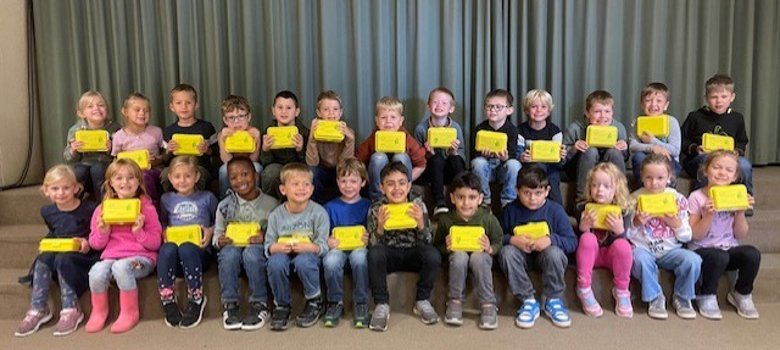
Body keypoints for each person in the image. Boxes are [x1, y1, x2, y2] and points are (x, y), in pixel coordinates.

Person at [15, 165, 99, 337]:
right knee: (43, 259)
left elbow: (96, 234)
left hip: (83, 255)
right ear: (46, 191)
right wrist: (47, 244)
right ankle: (39, 308)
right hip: (60, 249)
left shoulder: (89, 209)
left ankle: (71, 307)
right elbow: (54, 232)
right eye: (55, 188)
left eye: (66, 188)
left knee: (62, 260)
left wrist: (87, 243)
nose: (61, 193)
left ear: (76, 188)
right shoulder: (47, 211)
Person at [85, 159, 162, 334]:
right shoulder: (102, 209)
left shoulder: (146, 208)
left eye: (131, 178)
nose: (125, 182)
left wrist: (139, 232)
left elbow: (156, 242)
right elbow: (95, 244)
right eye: (118, 178)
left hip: (142, 258)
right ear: (110, 183)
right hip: (110, 257)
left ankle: (129, 312)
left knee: (121, 267)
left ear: (139, 182)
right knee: (97, 270)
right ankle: (99, 311)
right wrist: (103, 230)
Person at [499, 167, 577, 328]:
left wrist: (550, 240)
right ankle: (528, 300)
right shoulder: (509, 211)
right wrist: (512, 240)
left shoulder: (555, 210)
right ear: (517, 191)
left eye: (538, 193)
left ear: (547, 191)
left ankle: (554, 299)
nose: (532, 198)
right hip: (521, 258)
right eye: (527, 193)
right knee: (507, 252)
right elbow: (497, 239)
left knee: (554, 253)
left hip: (547, 258)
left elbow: (572, 242)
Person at [367, 162, 441, 331]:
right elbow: (371, 245)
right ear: (381, 187)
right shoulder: (377, 209)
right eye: (390, 184)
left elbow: (427, 241)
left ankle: (422, 300)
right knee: (375, 254)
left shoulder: (418, 206)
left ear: (408, 186)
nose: (397, 188)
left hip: (412, 252)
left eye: (401, 183)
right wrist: (379, 227)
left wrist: (421, 223)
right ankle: (382, 304)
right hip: (389, 254)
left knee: (433, 255)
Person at [688, 150, 760, 320]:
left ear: (735, 176)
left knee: (752, 254)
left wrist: (740, 213)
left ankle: (741, 293)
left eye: (729, 170)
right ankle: (706, 294)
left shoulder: (736, 195)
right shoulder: (696, 197)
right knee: (719, 256)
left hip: (728, 248)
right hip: (703, 249)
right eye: (716, 167)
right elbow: (695, 235)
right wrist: (708, 215)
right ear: (706, 171)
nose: (722, 173)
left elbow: (740, 234)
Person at [627, 153, 700, 320]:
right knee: (639, 259)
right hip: (643, 249)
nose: (654, 183)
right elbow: (626, 235)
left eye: (660, 177)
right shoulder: (634, 198)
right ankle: (655, 297)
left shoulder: (677, 199)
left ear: (669, 177)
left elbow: (687, 237)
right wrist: (637, 222)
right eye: (649, 178)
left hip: (670, 250)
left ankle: (682, 297)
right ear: (642, 177)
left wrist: (676, 224)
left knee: (693, 260)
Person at [212, 156, 279, 331]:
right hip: (232, 252)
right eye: (233, 177)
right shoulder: (224, 206)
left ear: (255, 175)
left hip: (255, 253)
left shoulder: (271, 204)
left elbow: (277, 233)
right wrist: (220, 240)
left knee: (252, 253)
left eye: (245, 174)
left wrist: (265, 236)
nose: (240, 180)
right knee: (228, 253)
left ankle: (260, 303)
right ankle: (230, 305)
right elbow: (217, 235)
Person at [433, 172, 502, 329]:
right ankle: (455, 301)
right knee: (459, 256)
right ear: (452, 198)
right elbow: (437, 246)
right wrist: (446, 247)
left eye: (472, 197)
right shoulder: (446, 220)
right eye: (460, 197)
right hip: (457, 256)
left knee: (478, 258)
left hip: (481, 256)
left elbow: (499, 241)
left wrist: (490, 248)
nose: (466, 203)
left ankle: (488, 303)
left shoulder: (488, 219)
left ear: (480, 199)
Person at [264, 163, 330, 330]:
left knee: (304, 261)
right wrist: (275, 248)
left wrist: (309, 247)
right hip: (283, 254)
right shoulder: (276, 215)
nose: (301, 188)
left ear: (312, 189)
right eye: (295, 184)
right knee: (275, 262)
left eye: (306, 184)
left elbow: (323, 246)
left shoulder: (319, 213)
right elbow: (268, 245)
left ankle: (314, 300)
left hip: (308, 256)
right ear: (283, 189)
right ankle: (282, 305)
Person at [157, 156, 218, 328]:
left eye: (187, 176)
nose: (182, 180)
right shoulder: (166, 199)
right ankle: (168, 299)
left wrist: (210, 231)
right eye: (177, 176)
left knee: (187, 248)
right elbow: (161, 222)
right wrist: (163, 232)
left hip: (198, 253)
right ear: (170, 178)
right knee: (167, 249)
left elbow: (219, 221)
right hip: (174, 257)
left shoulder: (207, 197)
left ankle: (196, 298)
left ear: (197, 177)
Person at [574, 162, 634, 318]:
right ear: (589, 187)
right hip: (590, 255)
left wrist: (619, 231)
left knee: (623, 245)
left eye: (606, 186)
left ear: (616, 189)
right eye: (595, 185)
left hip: (610, 256)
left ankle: (622, 291)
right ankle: (584, 287)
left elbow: (625, 239)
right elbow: (579, 242)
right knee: (587, 238)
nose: (600, 190)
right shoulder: (583, 207)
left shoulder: (624, 210)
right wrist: (584, 228)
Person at [681, 74, 752, 194]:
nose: (719, 101)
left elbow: (741, 141)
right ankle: (701, 199)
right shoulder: (695, 116)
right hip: (699, 159)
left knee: (744, 165)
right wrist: (695, 148)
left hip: (728, 159)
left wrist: (736, 152)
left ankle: (745, 197)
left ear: (732, 97)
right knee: (706, 162)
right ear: (706, 98)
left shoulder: (737, 118)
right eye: (714, 97)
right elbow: (682, 140)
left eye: (724, 96)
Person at [322, 158, 371, 328]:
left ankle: (361, 303)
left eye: (353, 181)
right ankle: (335, 302)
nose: (348, 185)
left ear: (363, 182)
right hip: (338, 249)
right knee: (331, 261)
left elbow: (371, 232)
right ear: (337, 182)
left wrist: (368, 239)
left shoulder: (368, 205)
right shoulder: (329, 207)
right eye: (343, 181)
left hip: (359, 248)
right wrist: (328, 240)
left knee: (360, 258)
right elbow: (324, 234)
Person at [356, 96, 427, 202]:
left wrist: (406, 182)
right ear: (377, 121)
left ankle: (404, 197)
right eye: (383, 118)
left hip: (400, 185)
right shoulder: (374, 138)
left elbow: (421, 165)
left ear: (401, 121)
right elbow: (357, 161)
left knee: (401, 156)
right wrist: (370, 179)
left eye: (393, 117)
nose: (388, 122)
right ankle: (377, 199)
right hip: (381, 184)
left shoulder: (406, 138)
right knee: (378, 157)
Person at [563, 90, 629, 202]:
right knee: (591, 151)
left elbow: (626, 157)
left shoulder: (618, 128)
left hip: (608, 165)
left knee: (614, 152)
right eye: (597, 111)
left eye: (607, 111)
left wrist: (624, 149)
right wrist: (574, 149)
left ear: (612, 113)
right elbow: (563, 159)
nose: (603, 116)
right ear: (587, 113)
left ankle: (621, 198)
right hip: (580, 167)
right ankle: (582, 200)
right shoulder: (575, 128)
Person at [413, 87, 466, 215]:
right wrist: (428, 154)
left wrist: (454, 152)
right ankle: (439, 202)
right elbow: (416, 159)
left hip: (450, 170)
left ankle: (462, 198)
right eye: (435, 102)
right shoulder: (421, 129)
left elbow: (462, 155)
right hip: (431, 171)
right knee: (436, 159)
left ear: (451, 108)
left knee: (456, 159)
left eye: (444, 103)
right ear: (428, 106)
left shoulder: (455, 127)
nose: (439, 106)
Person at [63, 91, 119, 201]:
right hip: (84, 165)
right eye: (90, 106)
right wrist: (73, 150)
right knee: (79, 172)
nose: (96, 109)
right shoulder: (76, 130)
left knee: (98, 168)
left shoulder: (115, 128)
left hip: (105, 167)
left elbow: (121, 154)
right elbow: (67, 158)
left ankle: (103, 202)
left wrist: (112, 148)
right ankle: (73, 203)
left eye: (101, 105)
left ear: (106, 109)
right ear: (81, 114)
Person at [161, 84, 217, 191]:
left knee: (201, 174)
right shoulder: (168, 131)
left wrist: (208, 150)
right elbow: (164, 159)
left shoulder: (206, 127)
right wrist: (168, 151)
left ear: (196, 105)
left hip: (199, 167)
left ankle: (198, 201)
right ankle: (170, 202)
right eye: (178, 103)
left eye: (188, 103)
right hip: (175, 169)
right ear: (172, 107)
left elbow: (217, 152)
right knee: (164, 174)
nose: (184, 107)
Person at [471, 89, 522, 208]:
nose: (493, 110)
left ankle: (508, 202)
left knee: (514, 164)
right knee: (478, 162)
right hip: (486, 169)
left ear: (509, 110)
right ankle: (485, 200)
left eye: (498, 107)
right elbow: (474, 155)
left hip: (503, 170)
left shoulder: (513, 130)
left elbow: (513, 155)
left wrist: (505, 158)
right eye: (489, 106)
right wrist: (483, 155)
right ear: (485, 109)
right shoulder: (480, 129)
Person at [111, 92, 165, 203]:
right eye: (137, 110)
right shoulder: (118, 136)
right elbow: (115, 160)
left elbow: (164, 155)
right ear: (125, 112)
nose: (142, 113)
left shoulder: (156, 132)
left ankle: (151, 205)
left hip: (152, 171)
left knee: (144, 176)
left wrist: (156, 160)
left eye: (146, 111)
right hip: (128, 174)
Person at [306, 90, 356, 204]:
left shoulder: (348, 132)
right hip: (321, 170)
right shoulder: (314, 131)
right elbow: (312, 163)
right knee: (311, 171)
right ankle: (316, 206)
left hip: (339, 169)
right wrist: (312, 138)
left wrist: (350, 140)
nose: (331, 114)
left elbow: (346, 164)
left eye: (335, 109)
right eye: (326, 109)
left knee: (349, 171)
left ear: (340, 112)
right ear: (319, 112)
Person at [517, 89, 566, 205]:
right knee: (539, 167)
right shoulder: (520, 130)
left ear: (549, 111)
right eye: (534, 107)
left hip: (551, 168)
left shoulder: (555, 131)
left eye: (543, 107)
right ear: (526, 110)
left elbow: (560, 163)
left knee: (553, 181)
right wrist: (522, 157)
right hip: (530, 169)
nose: (539, 110)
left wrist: (562, 156)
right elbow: (517, 154)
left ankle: (557, 213)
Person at [628, 82, 682, 185]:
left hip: (668, 162)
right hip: (645, 160)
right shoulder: (637, 122)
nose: (653, 104)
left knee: (666, 159)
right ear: (642, 104)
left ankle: (668, 188)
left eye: (659, 101)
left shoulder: (671, 122)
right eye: (648, 100)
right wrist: (652, 148)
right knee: (638, 157)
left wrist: (653, 140)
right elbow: (632, 146)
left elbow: (675, 150)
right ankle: (643, 188)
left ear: (665, 105)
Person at [260, 90, 310, 199]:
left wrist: (300, 150)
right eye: (280, 107)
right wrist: (265, 150)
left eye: (288, 108)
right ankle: (271, 205)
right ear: (273, 111)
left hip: (297, 165)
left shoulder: (305, 133)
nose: (284, 112)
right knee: (271, 173)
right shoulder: (267, 132)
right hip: (276, 166)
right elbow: (265, 163)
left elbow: (308, 163)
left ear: (297, 111)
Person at [216, 95, 263, 198]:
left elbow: (254, 159)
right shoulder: (223, 134)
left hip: (250, 164)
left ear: (248, 117)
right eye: (231, 117)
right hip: (231, 165)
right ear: (225, 120)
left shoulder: (253, 133)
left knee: (257, 168)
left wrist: (257, 140)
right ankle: (227, 201)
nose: (236, 121)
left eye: (241, 116)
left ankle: (255, 199)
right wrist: (223, 140)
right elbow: (226, 160)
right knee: (224, 170)